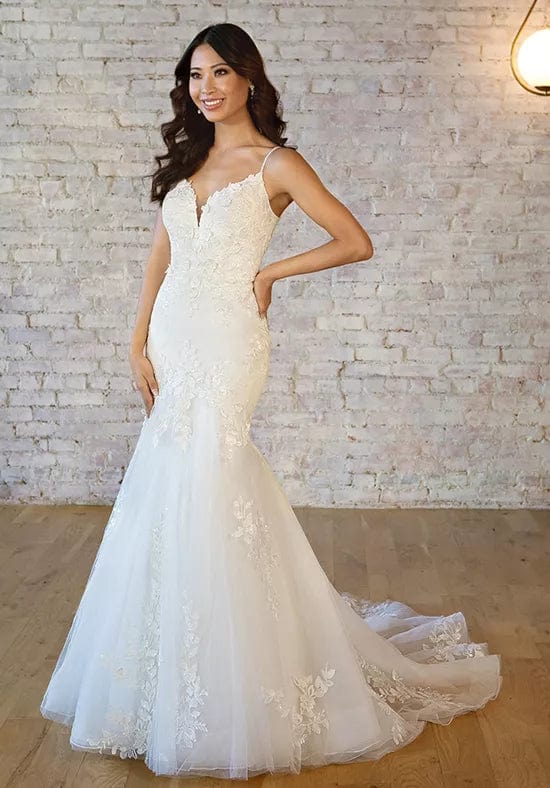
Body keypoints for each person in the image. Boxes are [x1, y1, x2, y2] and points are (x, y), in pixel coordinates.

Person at [40, 22, 502, 781]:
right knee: (167, 481)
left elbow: (354, 240)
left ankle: (238, 677)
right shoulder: (189, 162)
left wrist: (270, 274)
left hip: (229, 339)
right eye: (195, 76)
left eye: (221, 73)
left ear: (249, 78)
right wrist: (136, 339)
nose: (207, 88)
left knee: (217, 475)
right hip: (173, 336)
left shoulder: (277, 163)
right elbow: (162, 253)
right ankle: (163, 674)